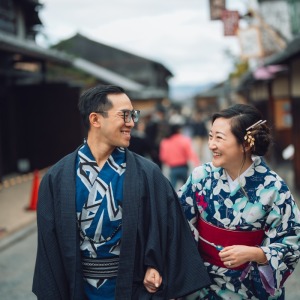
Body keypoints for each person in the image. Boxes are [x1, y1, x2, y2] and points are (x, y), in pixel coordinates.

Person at [32, 84, 211, 300]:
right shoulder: (57, 177)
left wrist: (155, 265)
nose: (132, 123)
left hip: (133, 287)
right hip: (77, 288)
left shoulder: (148, 173)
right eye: (125, 115)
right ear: (95, 120)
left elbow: (168, 228)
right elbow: (49, 248)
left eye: (133, 115)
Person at [178, 103, 300, 299]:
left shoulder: (273, 188)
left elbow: (291, 241)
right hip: (203, 284)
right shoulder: (201, 176)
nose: (211, 145)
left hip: (250, 287)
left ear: (245, 144)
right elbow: (177, 221)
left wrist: (256, 254)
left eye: (219, 137)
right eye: (211, 136)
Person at [159, 122, 199, 189]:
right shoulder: (184, 140)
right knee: (187, 188)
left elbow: (163, 157)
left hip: (173, 168)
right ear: (179, 130)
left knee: (172, 189)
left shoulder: (165, 141)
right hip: (183, 167)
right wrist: (196, 163)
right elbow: (190, 153)